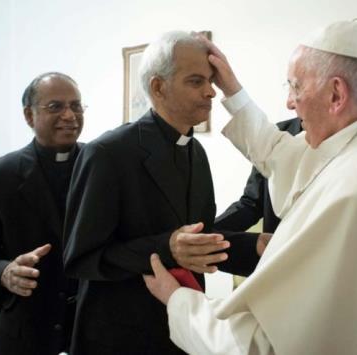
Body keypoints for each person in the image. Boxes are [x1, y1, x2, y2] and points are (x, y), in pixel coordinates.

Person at [144, 22, 357, 355]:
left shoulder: (354, 189)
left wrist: (178, 300)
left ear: (336, 94)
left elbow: (258, 344)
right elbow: (282, 155)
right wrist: (233, 90)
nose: (290, 103)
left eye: (295, 87)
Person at [63, 31, 262, 354]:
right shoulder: (107, 153)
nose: (211, 92)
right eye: (196, 81)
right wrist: (166, 248)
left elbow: (198, 239)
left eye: (211, 80)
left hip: (183, 327)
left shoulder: (195, 152)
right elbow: (82, 258)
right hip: (119, 334)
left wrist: (258, 246)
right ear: (158, 87)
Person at [0, 72, 85, 355]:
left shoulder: (101, 168)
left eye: (76, 106)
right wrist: (3, 273)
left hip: (89, 330)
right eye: (55, 107)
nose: (69, 115)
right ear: (29, 115)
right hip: (24, 332)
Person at [214, 118, 302, 233]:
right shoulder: (279, 132)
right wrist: (206, 233)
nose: (289, 104)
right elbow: (252, 203)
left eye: (297, 98)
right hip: (275, 247)